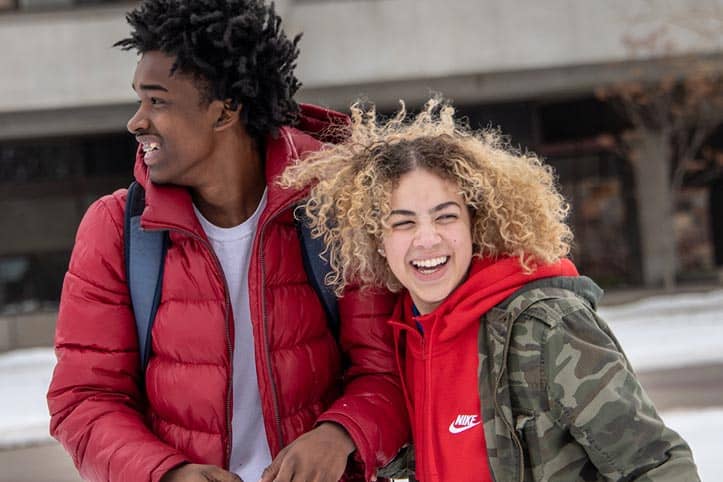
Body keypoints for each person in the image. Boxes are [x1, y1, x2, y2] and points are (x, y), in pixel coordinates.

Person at [46, 2, 409, 482]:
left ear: (225, 111)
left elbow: (388, 370)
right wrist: (167, 473)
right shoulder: (116, 229)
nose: (137, 121)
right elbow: (84, 400)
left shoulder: (335, 214)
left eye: (157, 101)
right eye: (139, 100)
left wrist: (339, 434)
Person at [279, 98, 701, 482]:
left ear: (473, 224)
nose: (426, 240)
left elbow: (655, 463)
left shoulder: (545, 328)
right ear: (378, 239)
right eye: (403, 222)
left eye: (445, 217)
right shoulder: (407, 338)